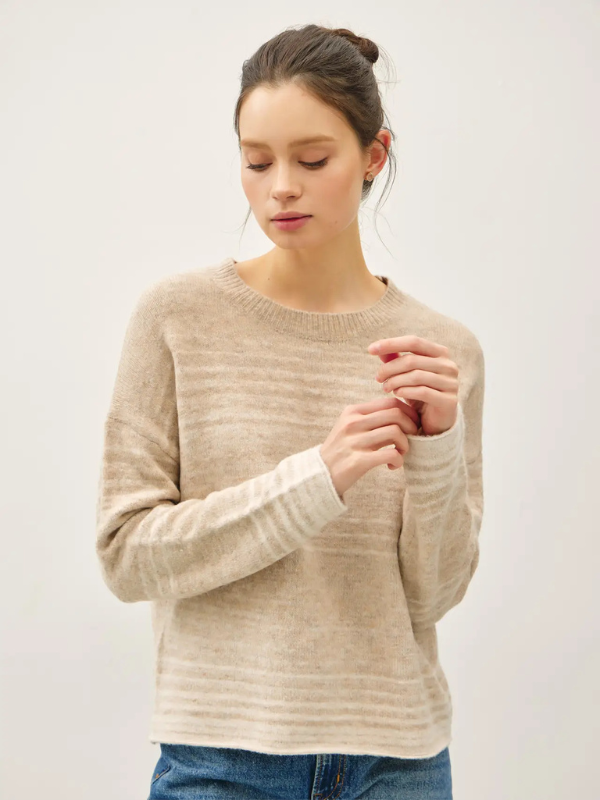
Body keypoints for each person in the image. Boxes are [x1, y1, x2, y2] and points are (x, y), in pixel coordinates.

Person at [95, 23, 485, 800]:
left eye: (312, 161)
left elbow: (435, 595)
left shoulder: (444, 352)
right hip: (220, 760)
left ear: (374, 156)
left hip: (398, 762)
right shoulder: (176, 319)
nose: (280, 188)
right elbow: (126, 555)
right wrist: (316, 479)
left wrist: (440, 449)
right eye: (255, 161)